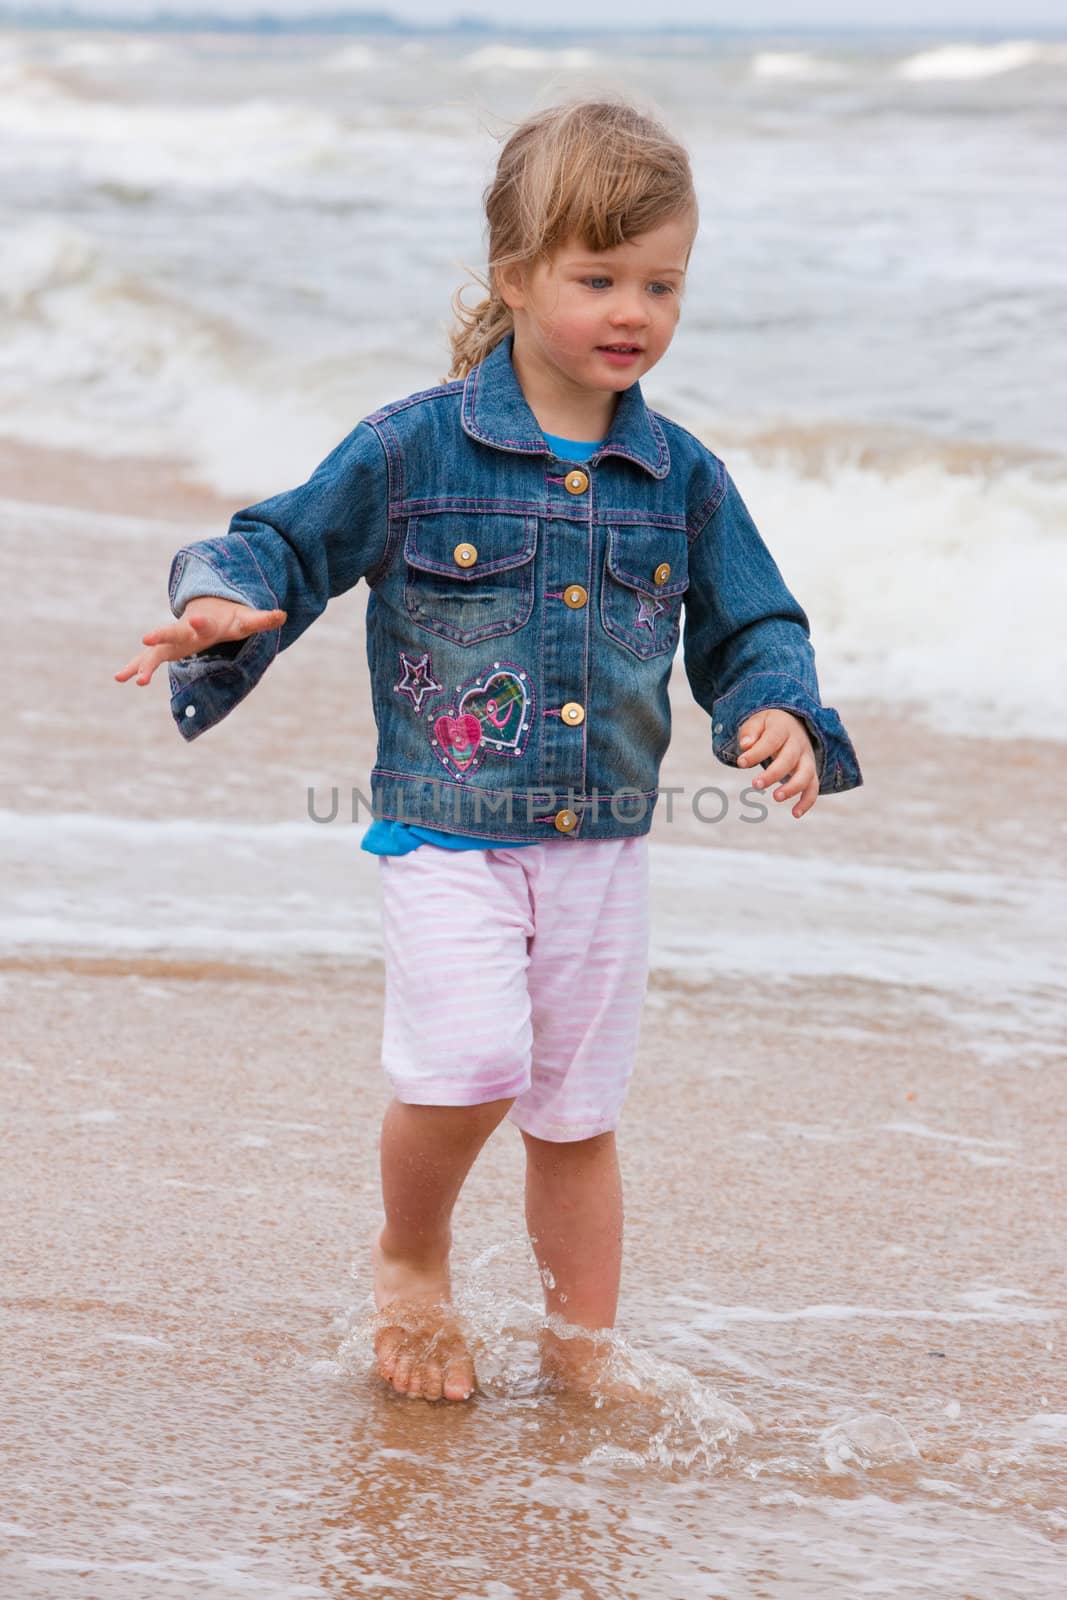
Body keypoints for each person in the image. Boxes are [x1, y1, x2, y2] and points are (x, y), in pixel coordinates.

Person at [116, 97, 862, 1404]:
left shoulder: (682, 476)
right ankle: (412, 1255)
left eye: (662, 283)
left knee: (574, 1117)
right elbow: (284, 542)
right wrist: (218, 604)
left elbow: (754, 620)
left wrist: (778, 712)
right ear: (514, 278)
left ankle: (581, 1349)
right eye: (598, 277)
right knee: (467, 1065)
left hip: (601, 851)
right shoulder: (414, 447)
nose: (634, 308)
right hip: (447, 832)